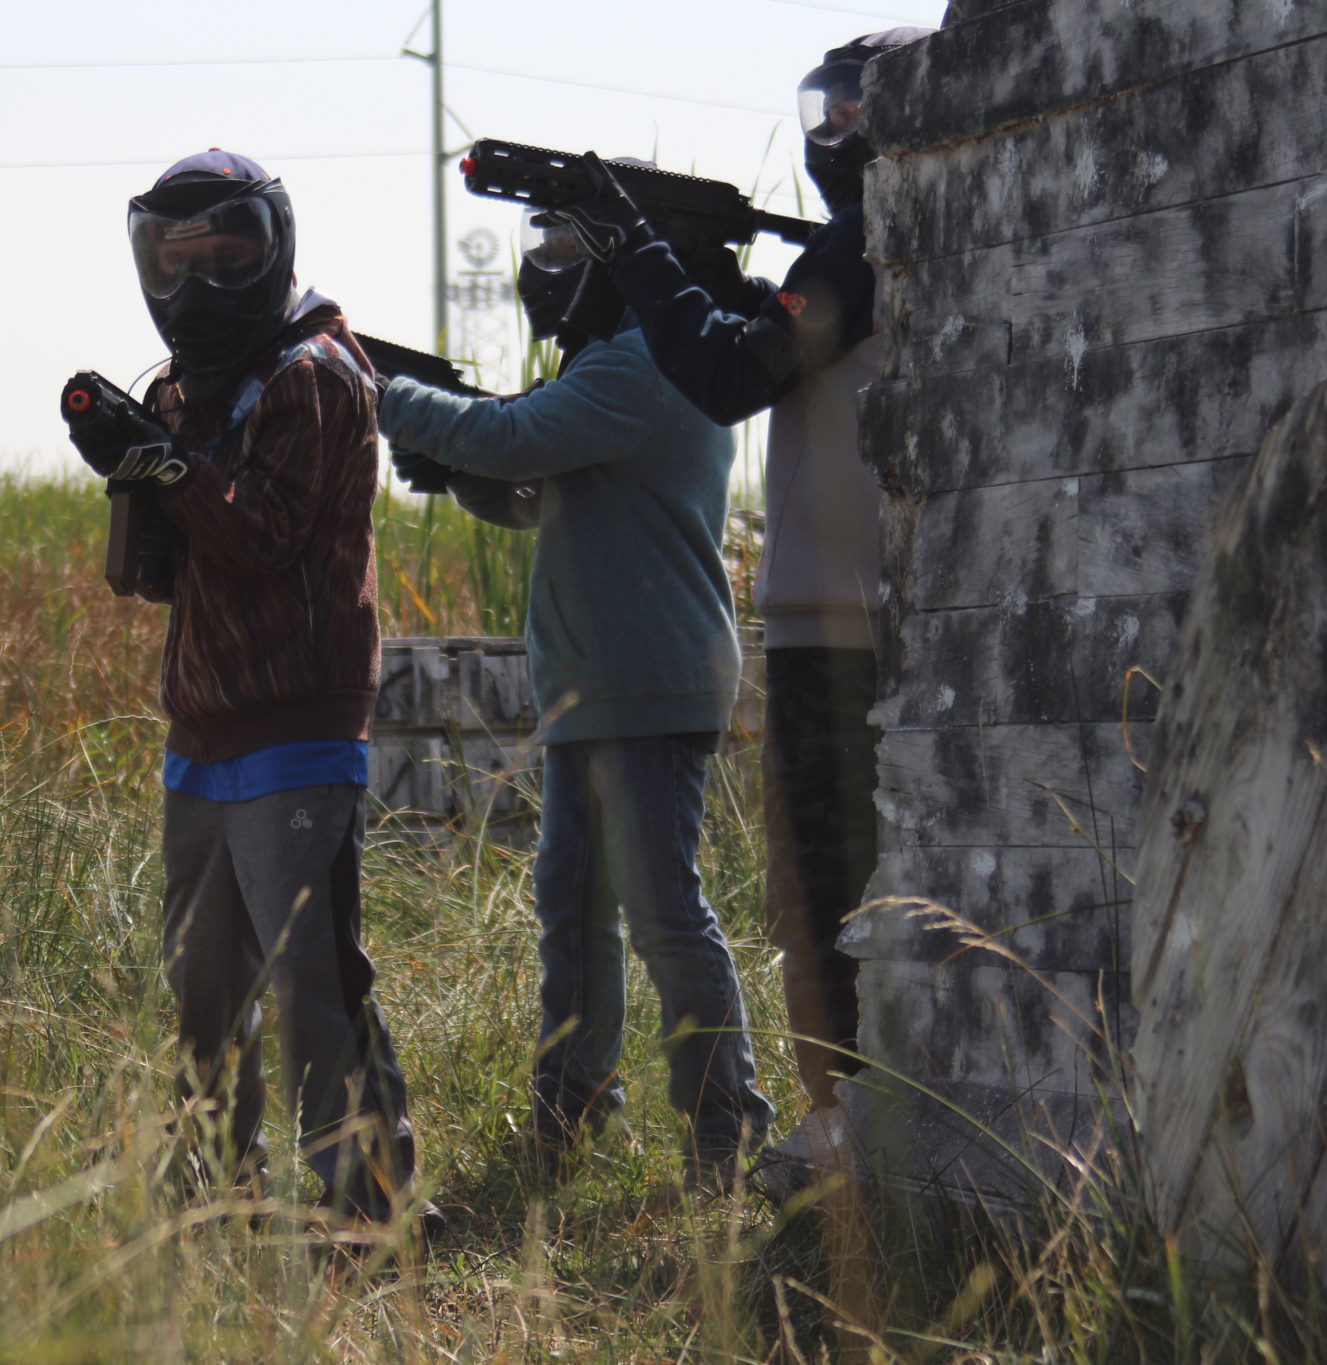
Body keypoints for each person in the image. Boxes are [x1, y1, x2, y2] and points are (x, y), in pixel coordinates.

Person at [535, 29, 933, 1108]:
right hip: (875, 614)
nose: (834, 132)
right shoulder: (886, 242)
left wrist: (641, 256)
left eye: (854, 111)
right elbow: (768, 340)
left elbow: (723, 372)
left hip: (837, 626)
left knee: (819, 900)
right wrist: (709, 277)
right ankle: (851, 1130)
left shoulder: (860, 242)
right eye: (824, 111)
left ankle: (837, 1138)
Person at [59, 149, 435, 1235]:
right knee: (203, 989)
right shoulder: (187, 385)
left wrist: (160, 465)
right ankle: (217, 1196)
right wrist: (133, 457)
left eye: (226, 256)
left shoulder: (315, 374)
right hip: (203, 725)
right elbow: (164, 571)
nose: (198, 285)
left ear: (271, 249)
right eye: (174, 261)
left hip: (295, 727)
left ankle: (362, 1206)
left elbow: (264, 537)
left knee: (310, 985)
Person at [377, 199, 776, 1192]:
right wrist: (450, 462)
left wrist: (382, 395)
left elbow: (512, 441)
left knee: (660, 913)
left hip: (647, 676)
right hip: (598, 684)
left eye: (564, 249)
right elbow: (528, 487)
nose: (544, 269)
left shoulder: (641, 363)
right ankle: (576, 1095)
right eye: (539, 247)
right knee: (572, 901)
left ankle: (726, 1132)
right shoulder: (619, 365)